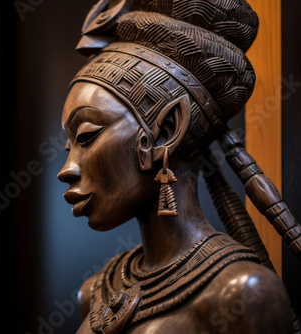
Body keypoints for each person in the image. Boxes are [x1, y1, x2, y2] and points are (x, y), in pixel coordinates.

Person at [57, 0, 301, 333]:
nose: (66, 168)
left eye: (86, 136)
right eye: (69, 145)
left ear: (168, 129)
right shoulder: (95, 292)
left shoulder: (243, 293)